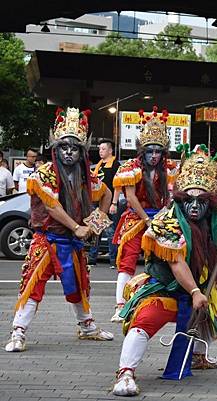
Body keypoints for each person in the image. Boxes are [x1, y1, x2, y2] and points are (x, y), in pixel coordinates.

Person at [112, 144, 217, 396]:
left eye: (201, 200)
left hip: (198, 288)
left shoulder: (212, 214)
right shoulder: (166, 222)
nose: (195, 207)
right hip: (167, 288)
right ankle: (126, 373)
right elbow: (177, 264)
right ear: (180, 198)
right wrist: (195, 291)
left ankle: (197, 354)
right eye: (189, 200)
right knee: (144, 321)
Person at [5, 107, 114, 353]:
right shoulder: (44, 174)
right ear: (55, 149)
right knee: (33, 286)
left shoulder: (86, 175)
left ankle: (87, 326)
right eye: (64, 147)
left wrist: (96, 223)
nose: (68, 153)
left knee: (78, 284)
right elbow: (52, 207)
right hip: (47, 239)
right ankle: (18, 332)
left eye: (74, 148)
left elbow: (106, 193)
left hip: (71, 242)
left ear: (81, 152)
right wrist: (77, 227)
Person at [111, 107, 178, 323]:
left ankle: (159, 301)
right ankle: (120, 305)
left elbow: (172, 195)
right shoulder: (131, 167)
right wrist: (148, 220)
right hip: (136, 219)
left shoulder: (169, 168)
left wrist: (163, 216)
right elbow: (130, 197)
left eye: (158, 151)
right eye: (150, 151)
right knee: (127, 262)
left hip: (160, 219)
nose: (154, 156)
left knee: (164, 260)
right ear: (142, 151)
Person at [88, 139, 121, 270]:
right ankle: (92, 258)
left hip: (110, 203)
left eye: (103, 149)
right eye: (100, 149)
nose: (100, 151)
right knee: (96, 230)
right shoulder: (99, 165)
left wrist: (114, 203)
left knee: (110, 232)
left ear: (110, 150)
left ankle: (113, 260)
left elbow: (118, 186)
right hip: (97, 202)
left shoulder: (115, 165)